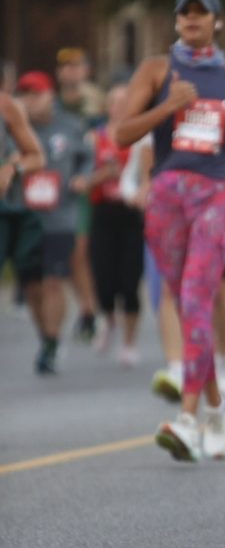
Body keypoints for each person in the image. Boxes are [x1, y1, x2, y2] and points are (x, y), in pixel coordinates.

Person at [114, 0, 225, 462]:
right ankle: (219, 410)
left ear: (217, 22)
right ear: (177, 21)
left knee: (198, 295)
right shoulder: (156, 69)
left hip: (220, 192)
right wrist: (168, 106)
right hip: (167, 193)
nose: (192, 21)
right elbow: (121, 133)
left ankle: (187, 419)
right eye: (185, 15)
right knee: (185, 303)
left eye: (201, 15)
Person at [16, 71, 95, 373]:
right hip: (26, 215)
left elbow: (89, 157)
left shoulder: (70, 126)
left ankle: (51, 342)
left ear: (51, 95)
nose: (31, 102)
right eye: (25, 95)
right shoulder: (14, 127)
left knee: (53, 281)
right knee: (33, 286)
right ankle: (45, 336)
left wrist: (82, 178)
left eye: (36, 94)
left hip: (61, 215)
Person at [87, 84, 145, 365]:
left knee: (130, 281)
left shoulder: (140, 137)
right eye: (116, 102)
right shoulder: (95, 138)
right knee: (104, 279)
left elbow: (149, 172)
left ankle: (129, 342)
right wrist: (102, 175)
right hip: (102, 213)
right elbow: (81, 180)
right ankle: (108, 317)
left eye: (126, 101)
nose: (120, 107)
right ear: (108, 107)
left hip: (130, 214)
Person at [54, 47, 105, 341]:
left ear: (86, 70)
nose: (70, 72)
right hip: (57, 187)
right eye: (65, 67)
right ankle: (86, 310)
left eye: (76, 66)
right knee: (69, 252)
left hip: (88, 186)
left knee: (80, 251)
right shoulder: (54, 105)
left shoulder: (95, 106)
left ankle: (89, 309)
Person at [0, 86, 45, 321]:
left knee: (34, 279)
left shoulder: (7, 106)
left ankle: (49, 339)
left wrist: (11, 169)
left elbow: (37, 157)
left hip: (4, 210)